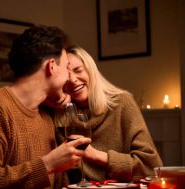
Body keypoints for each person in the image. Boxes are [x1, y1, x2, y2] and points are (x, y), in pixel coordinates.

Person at [0, 26, 91, 189]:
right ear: (52, 66)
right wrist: (47, 164)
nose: (70, 77)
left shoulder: (46, 117)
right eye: (67, 67)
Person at [52, 46, 163, 183]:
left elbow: (152, 168)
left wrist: (96, 155)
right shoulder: (59, 115)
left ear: (91, 71)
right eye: (66, 76)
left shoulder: (122, 103)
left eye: (78, 70)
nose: (73, 80)